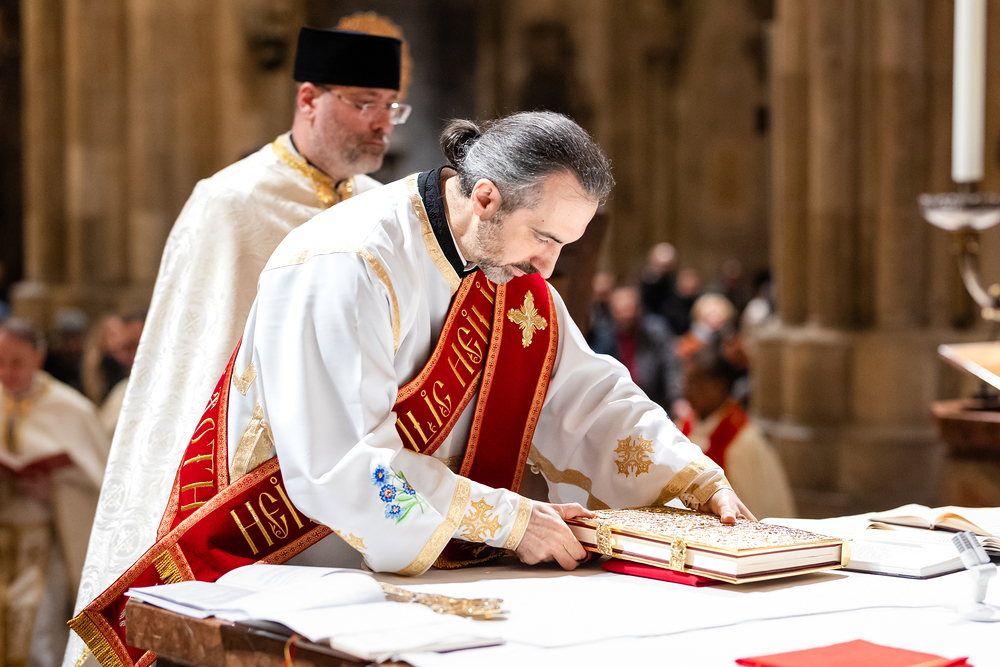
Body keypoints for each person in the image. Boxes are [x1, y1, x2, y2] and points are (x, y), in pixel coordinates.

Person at [71, 112, 756, 666]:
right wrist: (510, 521)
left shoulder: (506, 271)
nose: (549, 267)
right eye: (545, 237)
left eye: (563, 247)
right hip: (282, 564)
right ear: (485, 196)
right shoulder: (346, 261)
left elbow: (588, 396)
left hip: (409, 580)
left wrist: (692, 476)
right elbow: (345, 468)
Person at [68, 20, 412, 667]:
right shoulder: (230, 204)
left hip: (350, 483)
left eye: (391, 108)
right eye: (364, 103)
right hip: (246, 485)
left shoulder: (381, 208)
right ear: (308, 99)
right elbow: (191, 366)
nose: (381, 125)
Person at [0, 318, 110, 667]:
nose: (7, 373)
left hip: (46, 543)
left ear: (38, 358)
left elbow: (102, 490)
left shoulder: (71, 409)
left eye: (17, 362)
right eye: (0, 362)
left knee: (39, 635)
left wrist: (57, 492)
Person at [679, 338, 795, 520]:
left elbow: (761, 508)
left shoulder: (745, 442)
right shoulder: (684, 428)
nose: (687, 390)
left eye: (695, 381)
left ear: (718, 385)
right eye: (686, 380)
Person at [589, 285, 681, 410]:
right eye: (622, 309)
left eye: (630, 308)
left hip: (652, 400)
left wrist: (676, 399)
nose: (627, 314)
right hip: (617, 402)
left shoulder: (655, 331)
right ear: (612, 310)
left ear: (638, 308)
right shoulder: (603, 334)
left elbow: (670, 366)